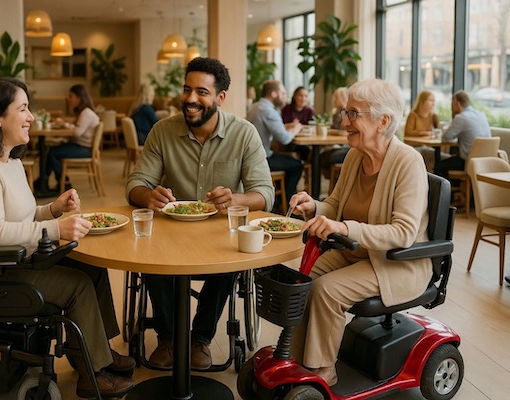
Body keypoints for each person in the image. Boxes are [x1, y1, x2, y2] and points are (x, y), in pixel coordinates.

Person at [0, 77, 134, 399]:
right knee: (78, 283)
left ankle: (98, 352)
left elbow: (21, 216)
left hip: (18, 256)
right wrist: (56, 230)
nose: (32, 116)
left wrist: (53, 209)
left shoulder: (9, 161)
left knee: (92, 268)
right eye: (23, 108)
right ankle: (93, 375)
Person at [125, 57, 274, 370]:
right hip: (170, 231)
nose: (190, 99)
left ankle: (200, 339)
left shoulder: (244, 134)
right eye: (187, 90)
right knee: (151, 258)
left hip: (219, 234)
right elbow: (136, 184)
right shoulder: (162, 131)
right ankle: (168, 337)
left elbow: (265, 194)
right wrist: (148, 195)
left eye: (201, 92)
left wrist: (237, 198)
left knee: (232, 259)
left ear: (219, 98)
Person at [288, 78, 431, 386]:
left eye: (353, 113)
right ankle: (296, 357)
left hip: (396, 263)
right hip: (355, 253)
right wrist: (313, 206)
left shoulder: (408, 162)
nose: (345, 121)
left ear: (384, 121)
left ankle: (322, 369)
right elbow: (336, 205)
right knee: (299, 276)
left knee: (327, 290)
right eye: (346, 112)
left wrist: (343, 227)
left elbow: (404, 232)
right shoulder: (354, 156)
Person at [247, 80, 304, 208]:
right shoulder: (268, 110)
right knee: (297, 165)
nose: (285, 96)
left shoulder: (256, 106)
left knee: (289, 160)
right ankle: (289, 205)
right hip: (262, 159)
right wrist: (295, 129)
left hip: (250, 157)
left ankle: (278, 199)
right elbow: (284, 139)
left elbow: (269, 128)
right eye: (283, 93)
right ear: (274, 94)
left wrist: (286, 126)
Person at [39, 84, 100, 195]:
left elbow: (77, 133)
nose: (69, 99)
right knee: (50, 150)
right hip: (81, 146)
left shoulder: (87, 113)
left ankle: (62, 183)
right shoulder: (84, 112)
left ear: (79, 97)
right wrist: (68, 124)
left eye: (71, 96)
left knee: (52, 152)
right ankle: (44, 182)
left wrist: (66, 124)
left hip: (84, 149)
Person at [434, 90, 491, 178]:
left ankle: (448, 192)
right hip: (486, 162)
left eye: (452, 104)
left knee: (439, 166)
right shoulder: (481, 115)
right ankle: (459, 190)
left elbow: (446, 137)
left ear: (457, 103)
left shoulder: (461, 117)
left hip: (468, 162)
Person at [405, 90, 441, 170]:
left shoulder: (433, 116)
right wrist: (425, 133)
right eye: (431, 100)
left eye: (434, 101)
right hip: (414, 146)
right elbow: (408, 132)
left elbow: (438, 132)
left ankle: (437, 180)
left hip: (427, 146)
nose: (433, 103)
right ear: (422, 102)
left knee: (439, 158)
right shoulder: (413, 115)